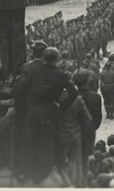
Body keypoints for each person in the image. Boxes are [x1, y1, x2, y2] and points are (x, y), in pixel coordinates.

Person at [13, 47, 78, 185]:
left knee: (29, 140)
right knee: (46, 143)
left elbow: (19, 90)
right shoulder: (62, 75)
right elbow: (73, 93)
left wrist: (24, 106)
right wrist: (62, 106)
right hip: (49, 110)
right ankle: (41, 174)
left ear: (43, 57)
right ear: (57, 59)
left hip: (32, 110)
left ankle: (26, 171)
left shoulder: (33, 71)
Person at [100, 54, 114, 119]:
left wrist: (101, 88)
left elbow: (101, 81)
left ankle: (107, 113)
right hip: (112, 86)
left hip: (105, 86)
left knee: (106, 100)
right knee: (112, 99)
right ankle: (112, 113)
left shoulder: (103, 72)